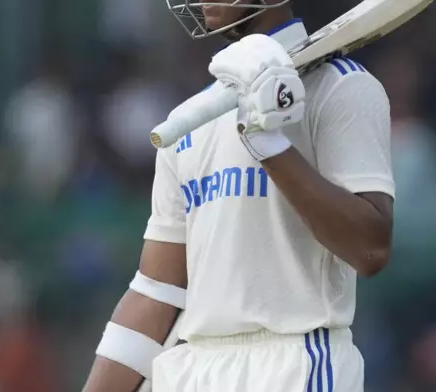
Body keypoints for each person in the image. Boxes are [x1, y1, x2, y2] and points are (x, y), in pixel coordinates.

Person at [83, 0, 395, 391]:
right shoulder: (190, 121)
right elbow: (156, 291)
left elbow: (371, 249)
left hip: (296, 363)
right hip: (196, 367)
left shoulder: (342, 87)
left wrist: (268, 143)